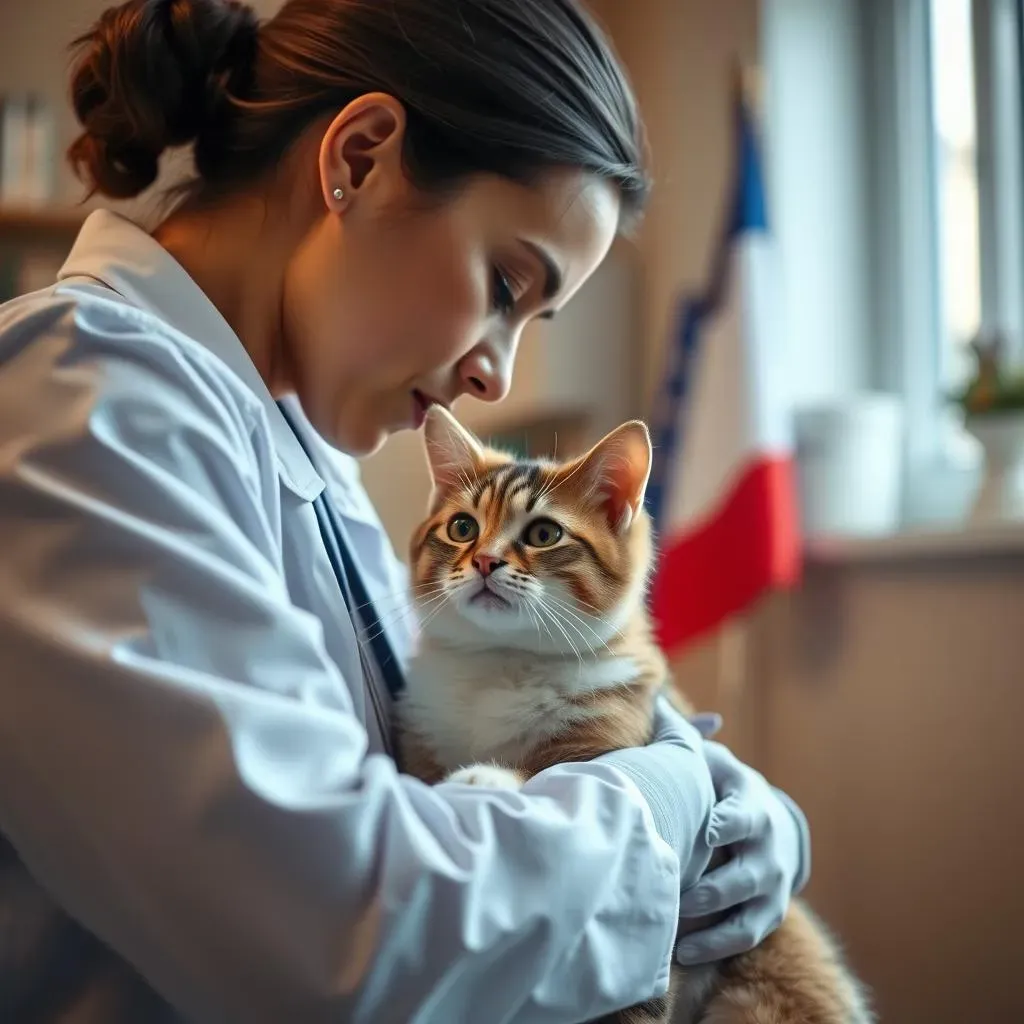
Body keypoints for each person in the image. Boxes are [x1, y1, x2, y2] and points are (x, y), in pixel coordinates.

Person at [0, 0, 811, 1020]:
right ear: (362, 156)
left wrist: (739, 816)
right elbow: (341, 926)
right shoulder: (81, 399)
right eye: (506, 284)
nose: (492, 374)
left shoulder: (293, 449)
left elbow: (451, 774)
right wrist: (668, 802)